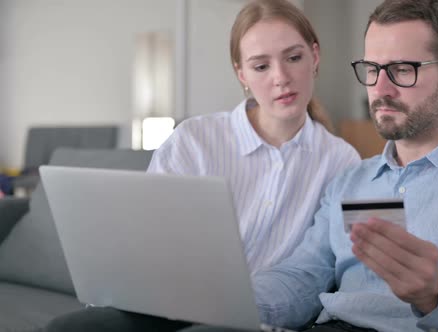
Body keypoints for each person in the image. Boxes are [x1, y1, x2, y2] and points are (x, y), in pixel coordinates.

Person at [190, 0, 438, 331]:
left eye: (403, 69)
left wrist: (437, 295)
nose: (380, 89)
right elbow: (302, 278)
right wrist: (226, 300)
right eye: (372, 69)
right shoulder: (350, 181)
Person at [44, 0, 359, 331]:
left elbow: (332, 269)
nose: (281, 77)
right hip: (167, 305)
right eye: (261, 66)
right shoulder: (194, 140)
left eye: (293, 58)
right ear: (242, 74)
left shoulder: (341, 161)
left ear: (315, 56)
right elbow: (147, 242)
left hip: (261, 318)